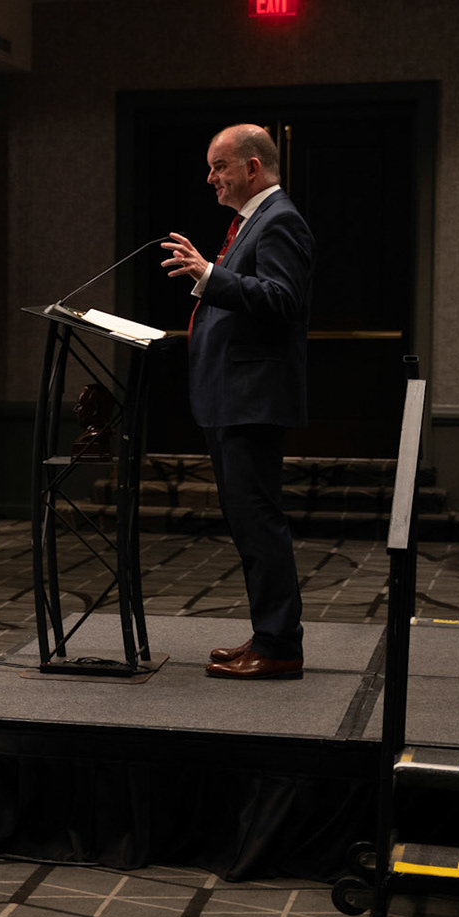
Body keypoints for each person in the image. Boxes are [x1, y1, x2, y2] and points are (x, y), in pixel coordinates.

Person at [161, 123, 315, 680]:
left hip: (251, 399)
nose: (210, 178)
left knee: (258, 522)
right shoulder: (253, 221)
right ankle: (268, 633)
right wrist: (212, 275)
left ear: (252, 167)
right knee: (247, 524)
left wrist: (209, 275)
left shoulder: (280, 220)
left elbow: (283, 299)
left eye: (219, 166)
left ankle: (279, 646)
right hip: (232, 398)